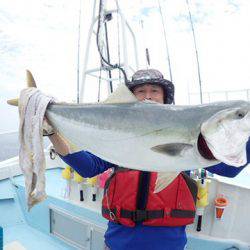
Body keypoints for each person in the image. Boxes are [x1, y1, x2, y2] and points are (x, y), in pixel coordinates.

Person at [47, 69, 250, 250]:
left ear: (165, 98)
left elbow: (231, 169)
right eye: (141, 91)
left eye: (154, 90)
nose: (148, 96)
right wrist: (52, 133)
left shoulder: (192, 138)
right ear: (131, 97)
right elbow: (87, 168)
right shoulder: (120, 140)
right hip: (118, 244)